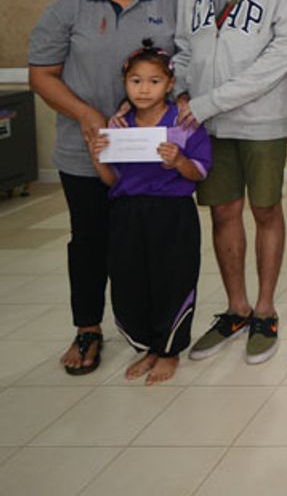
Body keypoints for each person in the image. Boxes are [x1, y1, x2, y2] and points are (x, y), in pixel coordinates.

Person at [28, 0, 179, 376]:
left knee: (152, 245)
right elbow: (42, 74)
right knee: (91, 241)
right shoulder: (67, 9)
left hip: (153, 156)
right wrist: (86, 115)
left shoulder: (171, 3)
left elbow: (190, 66)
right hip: (86, 152)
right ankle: (88, 329)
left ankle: (156, 333)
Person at [176, 0, 287, 365]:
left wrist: (208, 101)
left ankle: (266, 310)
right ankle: (236, 308)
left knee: (265, 210)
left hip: (261, 119)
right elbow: (185, 44)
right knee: (223, 211)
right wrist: (182, 93)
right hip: (205, 122)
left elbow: (282, 54)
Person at [88, 40, 210, 385]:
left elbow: (200, 172)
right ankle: (149, 345)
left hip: (172, 214)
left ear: (169, 84)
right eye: (136, 81)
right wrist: (97, 157)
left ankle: (170, 350)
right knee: (130, 280)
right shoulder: (119, 125)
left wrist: (179, 161)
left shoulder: (183, 123)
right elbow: (113, 179)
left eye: (154, 81)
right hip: (127, 214)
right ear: (125, 83)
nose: (144, 89)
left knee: (173, 279)